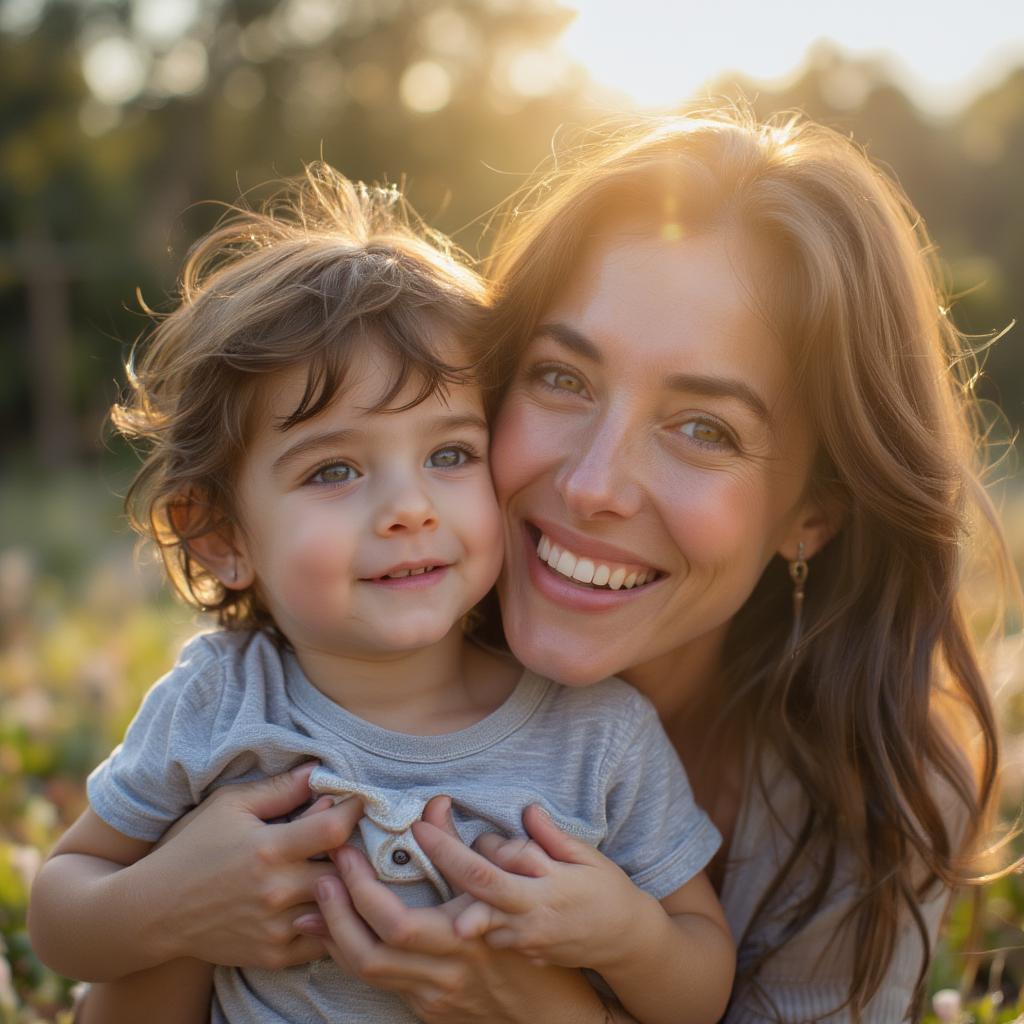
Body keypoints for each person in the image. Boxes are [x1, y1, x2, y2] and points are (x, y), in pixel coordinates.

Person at [44, 108, 1014, 1023]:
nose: (594, 484)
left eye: (704, 427)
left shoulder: (836, 790)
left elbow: (689, 973)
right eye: (561, 377)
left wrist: (550, 1007)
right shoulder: (299, 669)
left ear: (814, 511)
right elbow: (100, 948)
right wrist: (173, 908)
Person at [27, 163, 736, 1024]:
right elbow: (62, 914)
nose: (408, 508)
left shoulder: (598, 738)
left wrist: (630, 936)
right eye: (335, 469)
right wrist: (166, 901)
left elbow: (701, 984)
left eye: (448, 454)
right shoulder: (220, 700)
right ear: (221, 536)